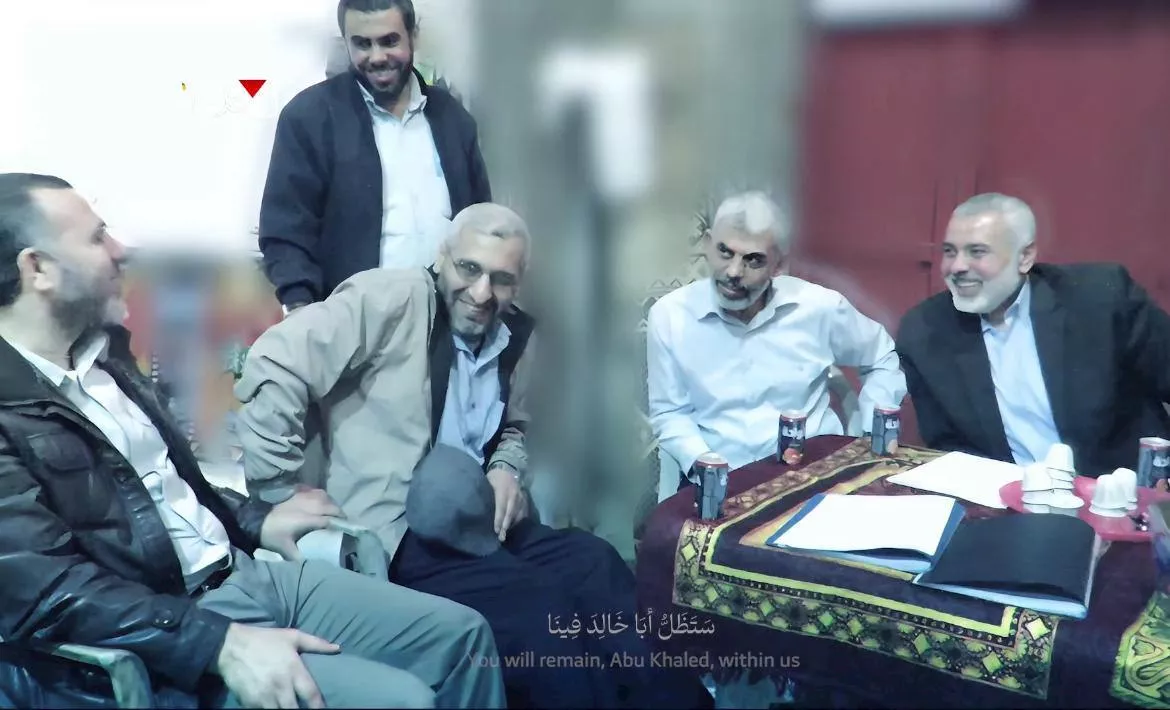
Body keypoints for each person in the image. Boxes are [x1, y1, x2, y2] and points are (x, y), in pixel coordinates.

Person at [0, 173, 506, 709]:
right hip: (171, 629)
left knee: (464, 637)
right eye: (96, 237)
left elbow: (166, 492)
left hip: (242, 574)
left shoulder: (106, 357)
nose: (120, 250)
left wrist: (258, 517)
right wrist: (215, 642)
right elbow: (46, 590)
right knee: (404, 701)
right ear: (38, 269)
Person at [234, 202, 713, 709]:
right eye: (469, 269)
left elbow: (515, 427)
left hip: (479, 522)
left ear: (518, 282)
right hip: (398, 533)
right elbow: (275, 362)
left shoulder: (516, 335)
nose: (482, 293)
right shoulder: (390, 298)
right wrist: (277, 491)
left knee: (594, 563)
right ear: (443, 257)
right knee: (537, 606)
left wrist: (505, 468)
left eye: (501, 279)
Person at [897, 192, 1170, 476]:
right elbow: (948, 448)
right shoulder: (924, 332)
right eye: (950, 252)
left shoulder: (1100, 300)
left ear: (1025, 257)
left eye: (977, 252)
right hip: (1008, 494)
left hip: (1122, 489)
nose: (957, 267)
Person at [646, 191, 906, 485]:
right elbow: (670, 412)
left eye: (753, 260)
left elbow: (881, 357)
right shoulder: (670, 316)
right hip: (718, 480)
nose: (734, 271)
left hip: (814, 474)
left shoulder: (819, 308)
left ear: (779, 265)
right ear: (707, 244)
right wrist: (702, 463)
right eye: (725, 252)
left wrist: (873, 429)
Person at [259, 0, 492, 313]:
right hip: (349, 325)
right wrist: (303, 313)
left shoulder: (452, 119)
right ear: (346, 42)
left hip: (444, 322)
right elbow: (286, 233)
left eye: (389, 41)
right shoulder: (308, 118)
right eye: (362, 44)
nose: (377, 56)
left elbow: (479, 220)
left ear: (414, 36)